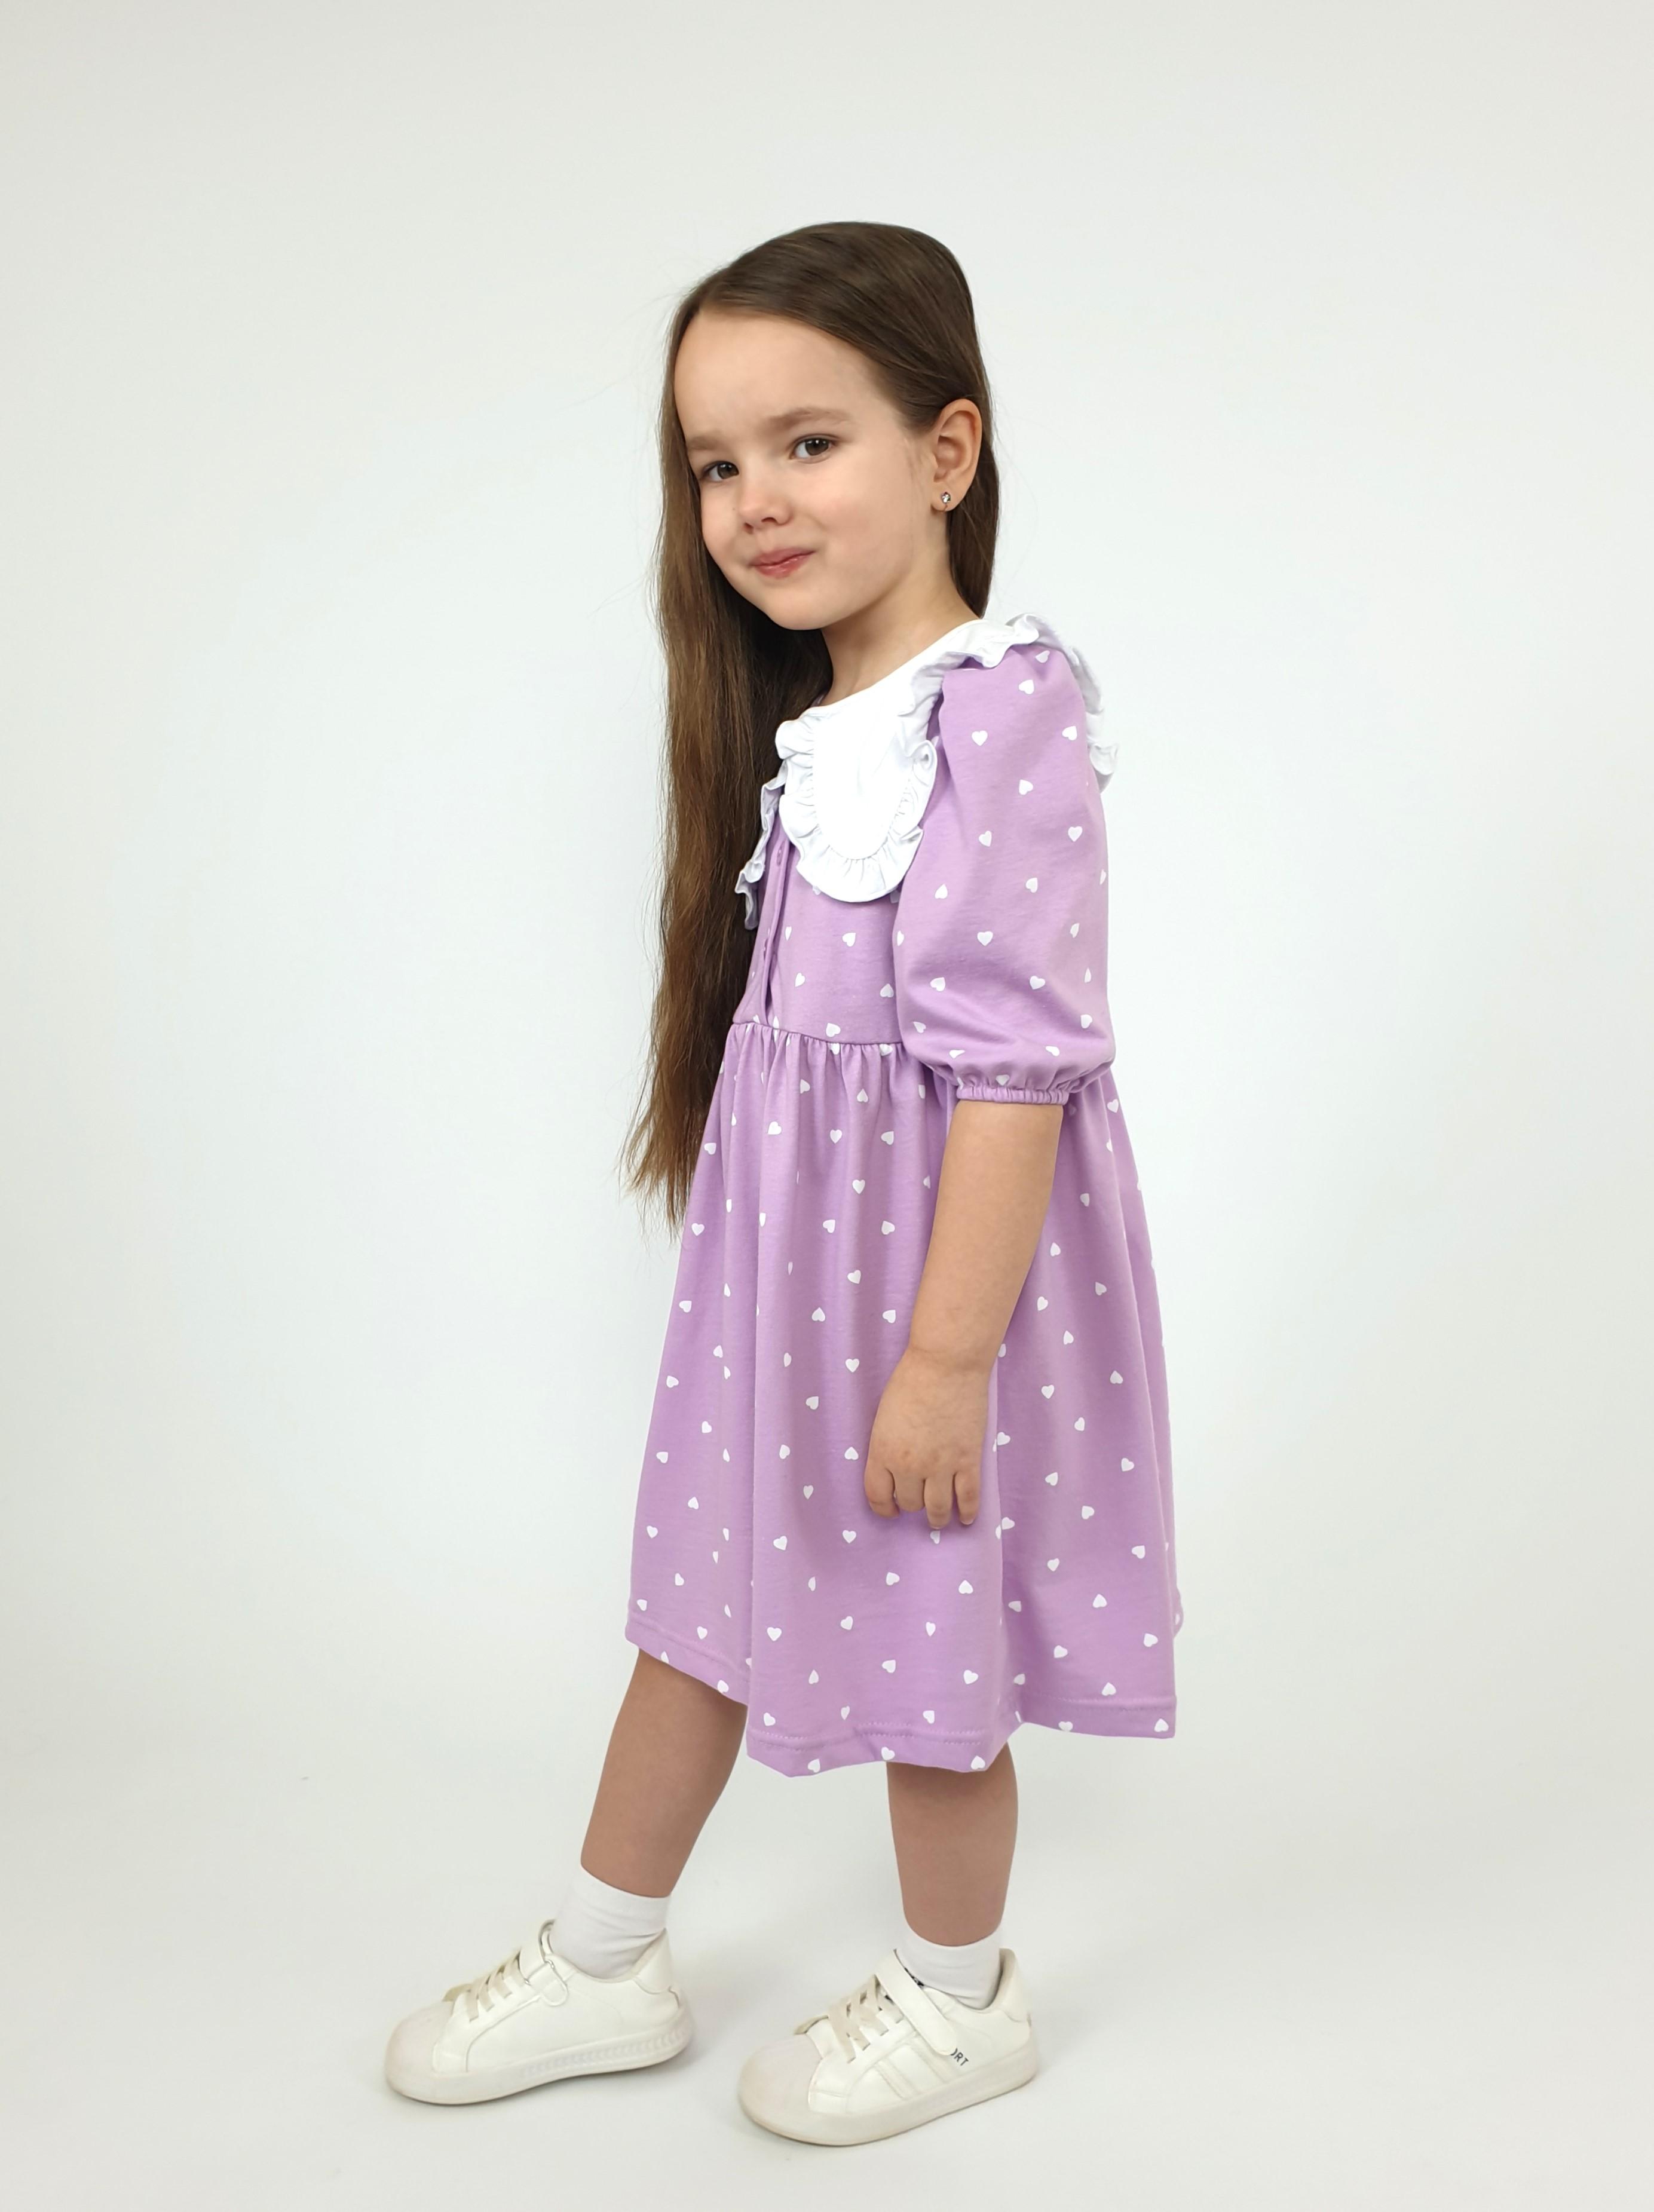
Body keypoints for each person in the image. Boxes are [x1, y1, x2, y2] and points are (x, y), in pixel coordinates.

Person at [384, 219, 1179, 2147]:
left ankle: (959, 1997)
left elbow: (1011, 1078)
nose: (754, 500)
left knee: (933, 1638)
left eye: (807, 444)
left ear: (946, 451)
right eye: (716, 463)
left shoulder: (999, 705)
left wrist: (946, 1365)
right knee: (699, 1604)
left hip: (934, 1302)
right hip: (792, 1296)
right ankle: (605, 1957)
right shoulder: (817, 725)